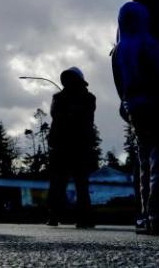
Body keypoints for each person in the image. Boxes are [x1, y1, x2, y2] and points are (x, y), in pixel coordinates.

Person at [111, 1, 159, 235]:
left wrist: (126, 106)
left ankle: (145, 214)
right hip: (158, 106)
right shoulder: (149, 44)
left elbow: (119, 85)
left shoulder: (119, 50)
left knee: (144, 162)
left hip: (134, 108)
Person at [46, 68, 97, 228]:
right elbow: (57, 115)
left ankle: (74, 217)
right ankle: (67, 217)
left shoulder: (86, 98)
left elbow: (82, 116)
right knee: (68, 183)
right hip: (70, 146)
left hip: (74, 146)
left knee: (64, 183)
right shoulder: (63, 98)